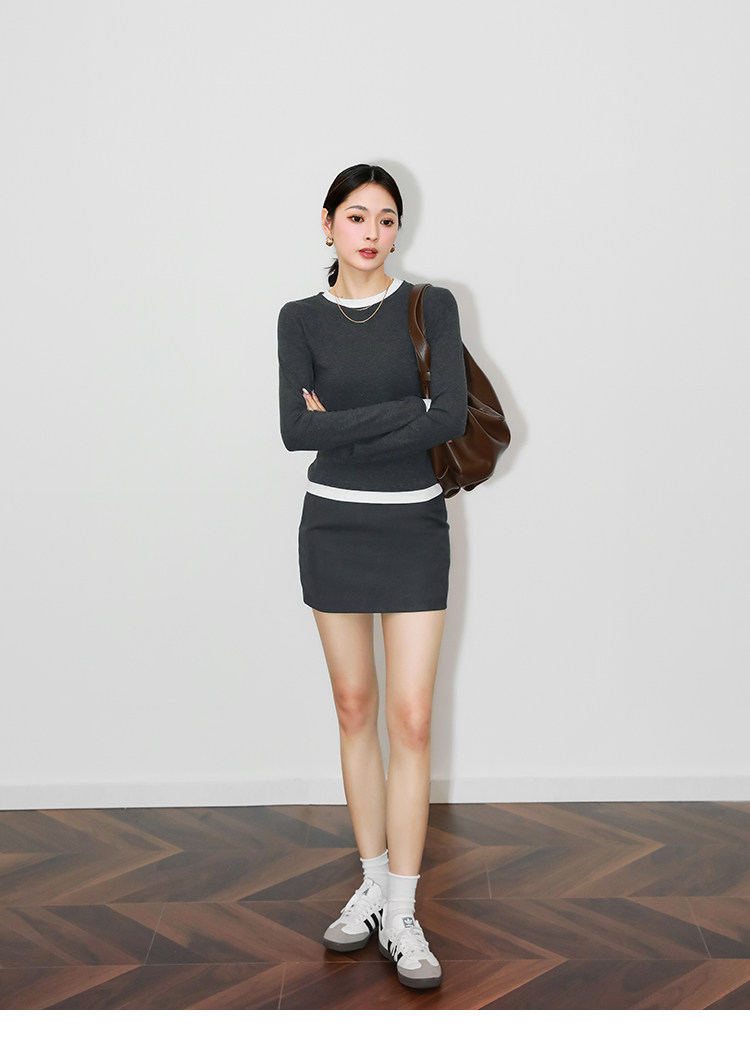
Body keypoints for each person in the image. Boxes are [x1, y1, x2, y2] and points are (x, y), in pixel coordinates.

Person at [277, 163, 468, 990]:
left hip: (413, 527)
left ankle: (403, 910)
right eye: (356, 216)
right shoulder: (299, 319)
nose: (372, 232)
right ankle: (371, 881)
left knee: (412, 720)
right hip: (334, 525)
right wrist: (404, 415)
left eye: (386, 218)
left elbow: (450, 416)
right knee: (355, 709)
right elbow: (294, 430)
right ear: (327, 224)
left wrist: (347, 425)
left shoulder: (431, 306)